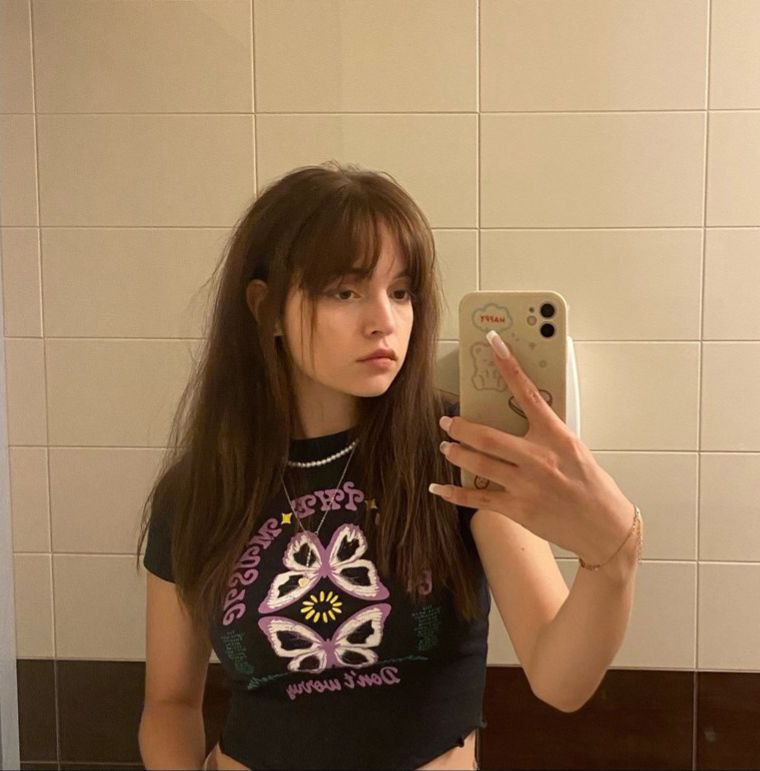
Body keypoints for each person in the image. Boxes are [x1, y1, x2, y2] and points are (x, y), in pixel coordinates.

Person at [136, 161, 488, 770]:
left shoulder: (457, 448)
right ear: (267, 309)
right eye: (344, 292)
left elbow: (562, 674)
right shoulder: (198, 490)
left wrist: (610, 549)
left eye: (401, 291)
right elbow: (169, 704)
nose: (384, 321)